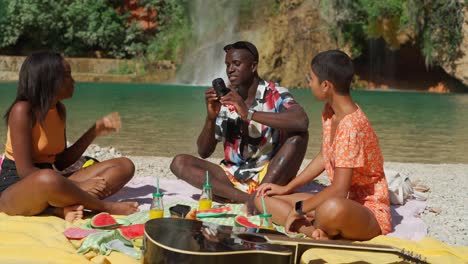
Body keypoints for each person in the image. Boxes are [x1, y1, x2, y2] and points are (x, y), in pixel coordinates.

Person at [255, 50, 391, 240]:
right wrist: (287, 188)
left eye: (311, 78)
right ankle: (312, 232)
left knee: (329, 209)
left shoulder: (351, 126)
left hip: (366, 210)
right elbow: (323, 156)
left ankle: (309, 223)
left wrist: (300, 208)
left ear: (326, 85)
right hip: (341, 199)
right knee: (262, 199)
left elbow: (339, 189)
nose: (309, 84)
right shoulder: (330, 112)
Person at [170, 41, 309, 213]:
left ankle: (251, 196)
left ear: (253, 66)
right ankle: (250, 200)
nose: (230, 69)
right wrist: (211, 118)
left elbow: (302, 121)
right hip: (232, 176)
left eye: (236, 64)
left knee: (299, 137)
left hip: (269, 175)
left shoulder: (275, 93)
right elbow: (204, 152)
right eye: (227, 65)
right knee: (179, 162)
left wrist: (248, 113)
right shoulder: (226, 98)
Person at [0, 51, 139, 222]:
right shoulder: (22, 111)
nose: (73, 81)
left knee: (124, 166)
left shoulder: (59, 110)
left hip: (52, 182)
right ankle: (104, 208)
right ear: (49, 80)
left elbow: (60, 162)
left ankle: (63, 205)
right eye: (67, 75)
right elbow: (26, 171)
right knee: (47, 178)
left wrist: (94, 131)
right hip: (16, 188)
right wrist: (79, 186)